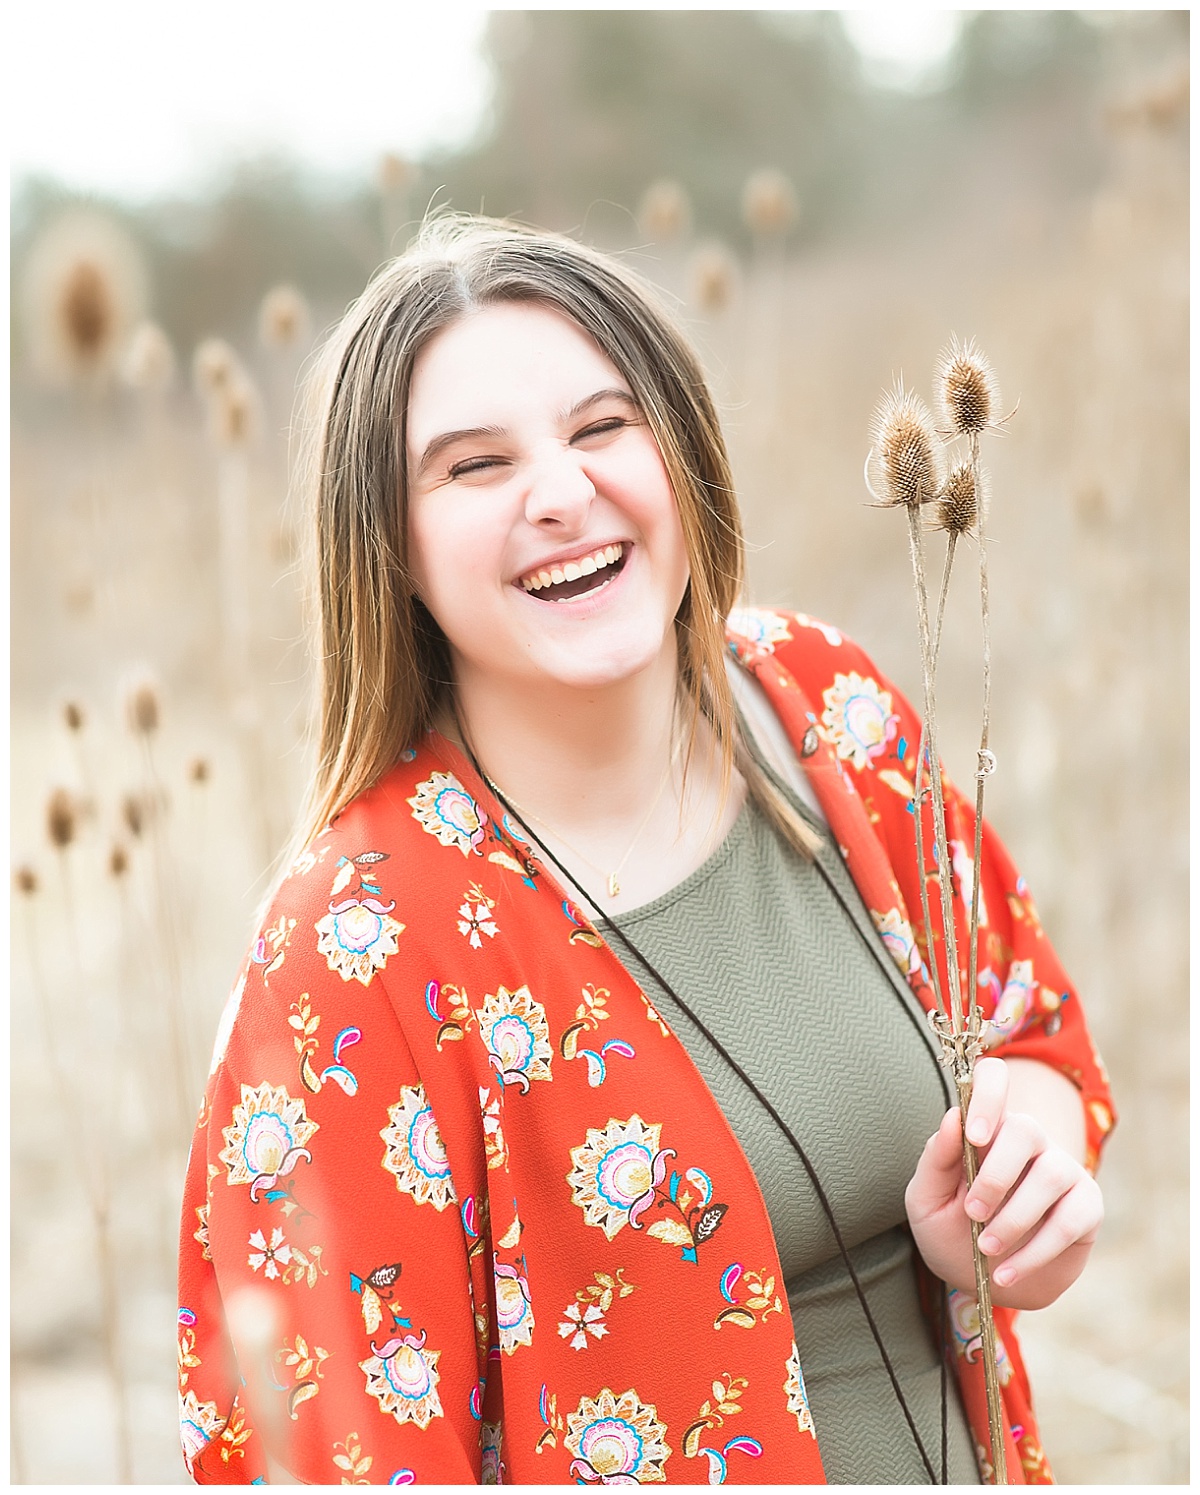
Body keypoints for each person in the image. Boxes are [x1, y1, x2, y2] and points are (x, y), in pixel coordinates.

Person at [178, 216, 1112, 1486]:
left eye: (603, 426)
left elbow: (1030, 1022)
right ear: (388, 545)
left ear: (681, 452)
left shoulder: (823, 701)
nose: (561, 492)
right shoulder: (353, 950)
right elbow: (331, 1449)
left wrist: (1030, 1184)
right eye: (472, 466)